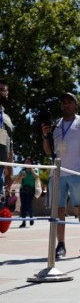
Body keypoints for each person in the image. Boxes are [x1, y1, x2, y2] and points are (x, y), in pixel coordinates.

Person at [42, 92, 80, 258]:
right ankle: (60, 245)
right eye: (63, 102)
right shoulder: (55, 125)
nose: (65, 104)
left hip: (77, 170)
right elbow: (48, 151)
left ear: (76, 105)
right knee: (58, 209)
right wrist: (45, 135)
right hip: (57, 173)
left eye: (69, 101)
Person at [16, 163, 39, 227]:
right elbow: (17, 181)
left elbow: (37, 177)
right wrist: (21, 176)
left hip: (31, 190)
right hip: (23, 190)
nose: (27, 164)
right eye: (26, 162)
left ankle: (31, 218)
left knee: (29, 205)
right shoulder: (22, 171)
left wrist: (31, 170)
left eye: (28, 162)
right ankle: (23, 222)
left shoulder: (35, 170)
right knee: (23, 206)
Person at [0, 79, 11, 207]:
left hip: (2, 167)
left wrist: (10, 170)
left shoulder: (7, 117)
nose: (2, 92)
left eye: (4, 90)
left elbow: (10, 143)